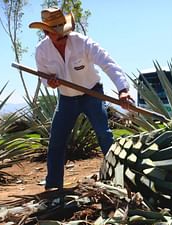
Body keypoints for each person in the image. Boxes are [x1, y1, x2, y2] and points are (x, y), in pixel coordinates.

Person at [29, 7, 132, 190]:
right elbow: (43, 76)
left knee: (104, 134)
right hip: (67, 99)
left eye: (64, 31)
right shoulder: (41, 51)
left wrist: (122, 89)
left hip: (92, 94)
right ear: (46, 32)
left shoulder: (82, 42)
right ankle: (53, 186)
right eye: (57, 34)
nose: (63, 36)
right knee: (56, 141)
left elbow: (108, 63)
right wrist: (50, 83)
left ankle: (119, 179)